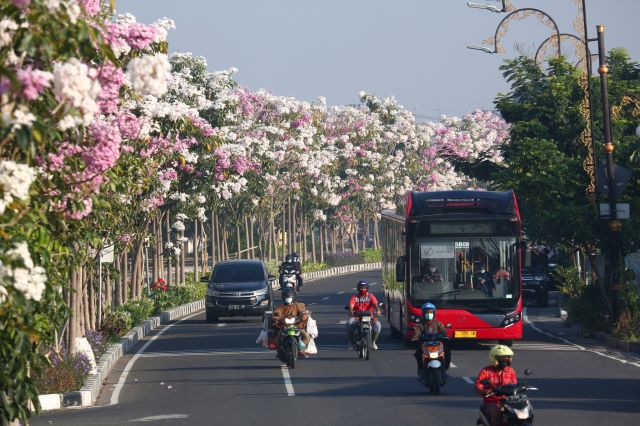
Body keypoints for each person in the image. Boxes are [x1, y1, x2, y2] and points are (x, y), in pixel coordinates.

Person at [475, 345, 518, 426]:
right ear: (495, 358)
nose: (507, 360)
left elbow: (514, 384)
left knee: (524, 407)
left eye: (508, 358)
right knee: (495, 410)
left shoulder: (510, 371)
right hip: (492, 401)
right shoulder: (486, 371)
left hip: (509, 401)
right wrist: (487, 391)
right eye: (504, 358)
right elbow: (478, 386)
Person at [412, 303, 451, 376]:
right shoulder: (421, 324)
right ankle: (421, 370)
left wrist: (445, 336)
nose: (429, 314)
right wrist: (416, 337)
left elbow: (444, 332)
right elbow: (417, 332)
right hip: (425, 344)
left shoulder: (438, 323)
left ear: (434, 313)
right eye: (427, 313)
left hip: (437, 344)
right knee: (418, 353)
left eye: (430, 312)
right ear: (423, 314)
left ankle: (445, 369)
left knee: (447, 351)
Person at [347, 280, 382, 350]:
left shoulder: (371, 296)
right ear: (358, 288)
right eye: (361, 288)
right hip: (357, 316)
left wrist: (378, 310)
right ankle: (351, 342)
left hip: (370, 316)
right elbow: (351, 305)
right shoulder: (355, 297)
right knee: (350, 323)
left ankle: (373, 342)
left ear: (367, 288)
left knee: (378, 325)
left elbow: (375, 304)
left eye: (364, 288)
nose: (363, 289)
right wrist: (350, 310)